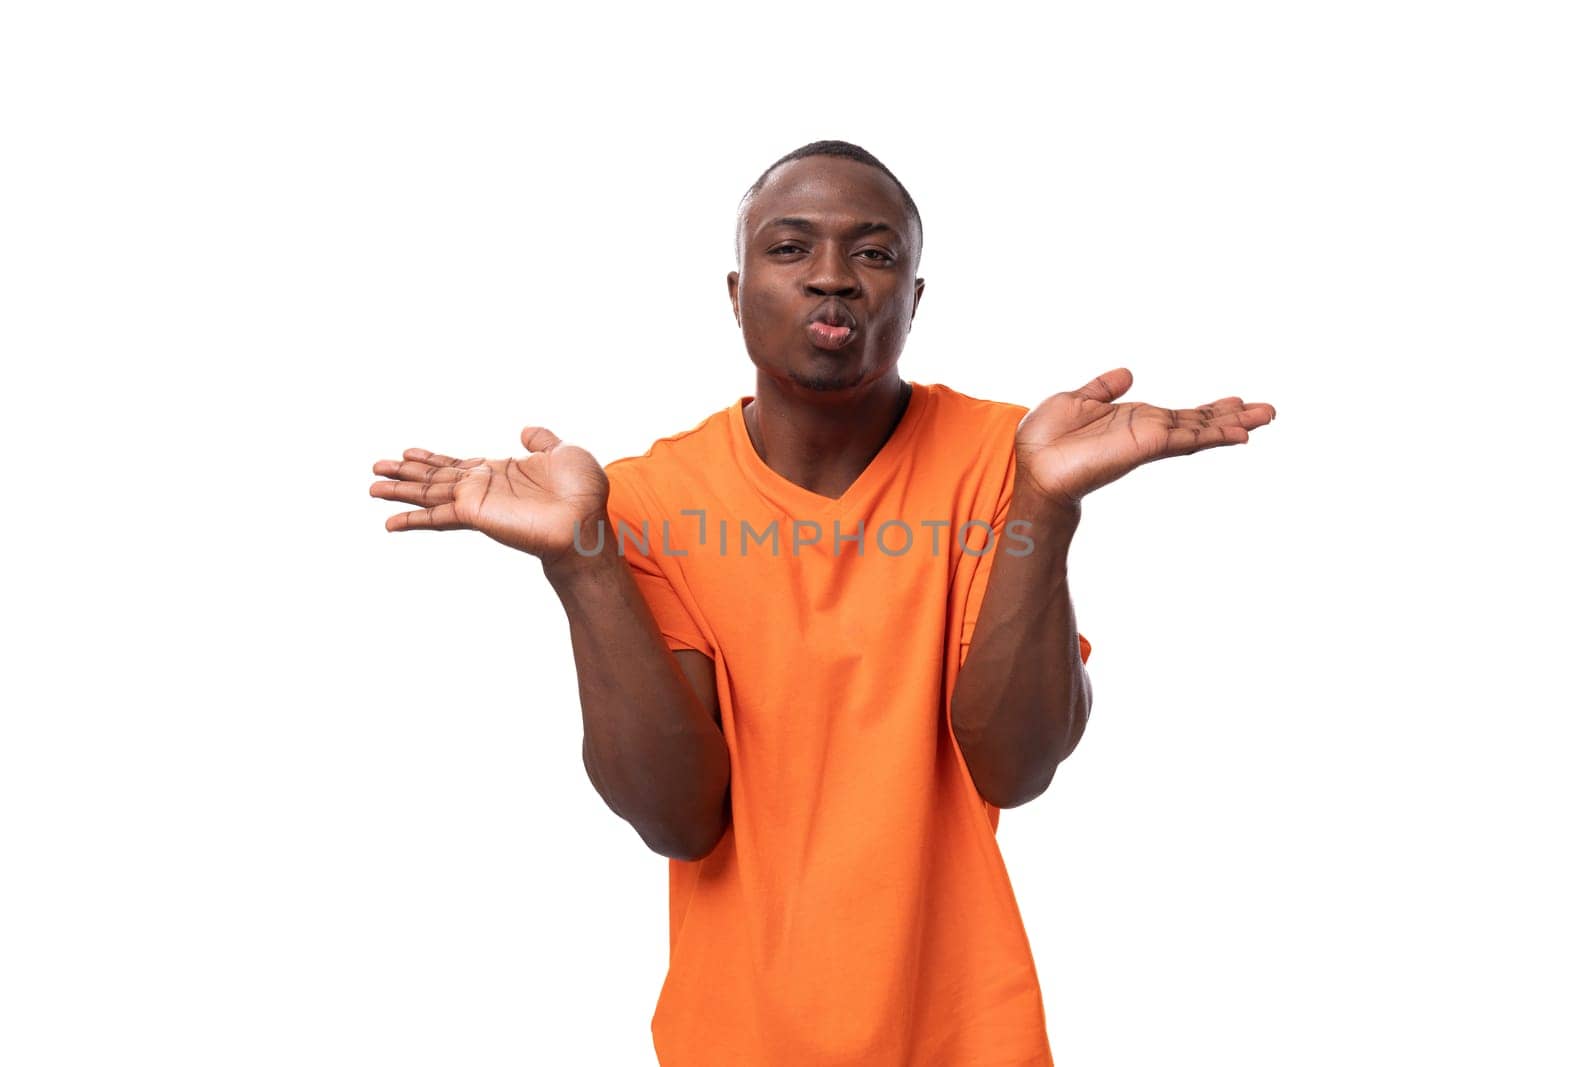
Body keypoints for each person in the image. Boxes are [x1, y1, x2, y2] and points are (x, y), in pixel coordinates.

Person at [368, 140, 1276, 1066]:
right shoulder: (642, 502)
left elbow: (1017, 764)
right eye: (791, 248)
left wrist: (1047, 503)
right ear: (735, 293)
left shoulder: (1010, 457)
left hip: (969, 1038)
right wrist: (584, 565)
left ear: (914, 298)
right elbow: (676, 816)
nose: (832, 278)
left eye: (875, 254)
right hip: (735, 1040)